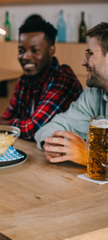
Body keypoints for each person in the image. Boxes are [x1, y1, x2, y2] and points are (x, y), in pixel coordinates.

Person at [0, 20, 83, 140]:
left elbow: (32, 130)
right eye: (21, 51)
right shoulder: (24, 79)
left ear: (51, 50)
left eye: (35, 50)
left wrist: (1, 124)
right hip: (34, 150)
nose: (26, 57)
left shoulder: (62, 79)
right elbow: (7, 117)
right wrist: (1, 123)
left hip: (63, 155)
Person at [35, 22, 108, 166]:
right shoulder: (94, 94)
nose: (83, 62)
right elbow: (49, 129)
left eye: (90, 54)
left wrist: (90, 155)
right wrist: (53, 146)